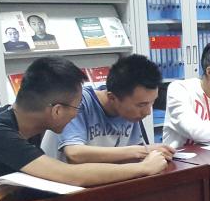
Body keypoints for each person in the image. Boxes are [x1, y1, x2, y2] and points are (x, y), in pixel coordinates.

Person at [0, 57, 167, 186]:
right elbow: (70, 175)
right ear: (57, 110)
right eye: (77, 107)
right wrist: (143, 168)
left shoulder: (26, 124)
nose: (77, 115)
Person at [44, 54, 175, 163]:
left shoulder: (130, 113)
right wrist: (142, 151)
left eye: (152, 103)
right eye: (141, 105)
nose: (148, 112)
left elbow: (132, 157)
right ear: (112, 98)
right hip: (59, 184)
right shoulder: (77, 102)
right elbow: (74, 154)